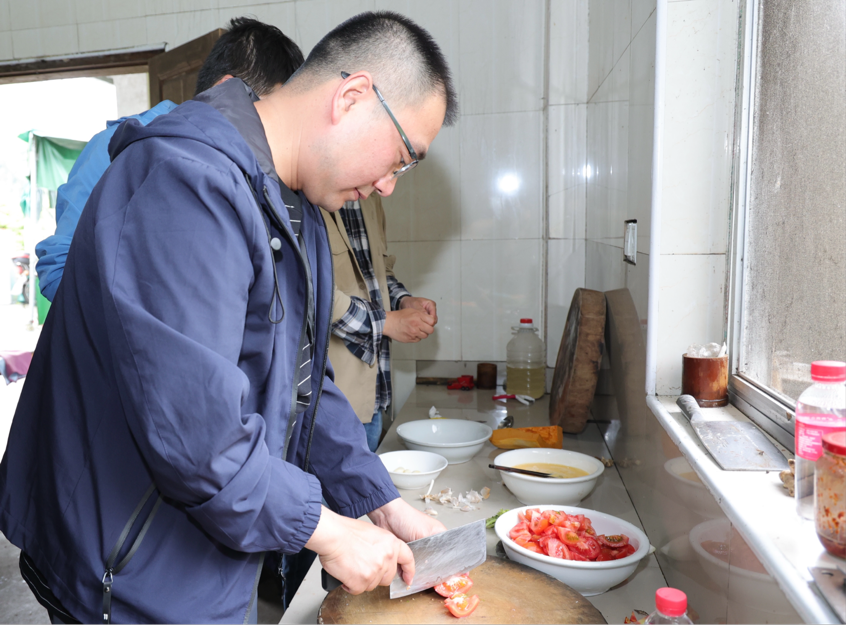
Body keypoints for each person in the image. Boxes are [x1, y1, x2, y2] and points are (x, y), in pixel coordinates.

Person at [0, 10, 457, 624]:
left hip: (198, 555)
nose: (389, 185)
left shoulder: (294, 205)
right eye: (402, 157)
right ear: (351, 97)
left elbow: (302, 383)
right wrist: (329, 532)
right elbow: (197, 437)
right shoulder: (186, 181)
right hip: (124, 563)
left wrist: (379, 501)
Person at [34, 16, 305, 303]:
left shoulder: (251, 171)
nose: (273, 136)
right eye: (269, 115)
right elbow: (58, 273)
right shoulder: (117, 148)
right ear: (229, 90)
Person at [323, 196, 437, 452]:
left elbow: (378, 274)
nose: (388, 187)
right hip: (332, 403)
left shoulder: (370, 198)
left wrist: (403, 300)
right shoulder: (309, 196)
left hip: (374, 396)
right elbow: (314, 296)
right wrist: (387, 323)